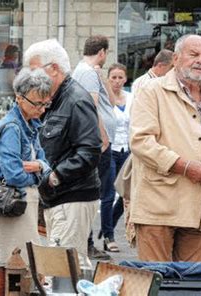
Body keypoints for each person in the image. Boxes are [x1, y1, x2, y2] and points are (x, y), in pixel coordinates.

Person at [129, 34, 201, 262]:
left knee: (192, 283)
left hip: (200, 209)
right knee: (155, 280)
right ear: (177, 58)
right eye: (193, 54)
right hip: (158, 206)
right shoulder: (152, 91)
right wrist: (185, 167)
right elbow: (141, 141)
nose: (200, 60)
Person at [23, 39, 102, 267]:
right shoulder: (56, 100)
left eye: (35, 71)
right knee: (64, 267)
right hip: (59, 197)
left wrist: (55, 177)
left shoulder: (75, 99)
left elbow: (90, 151)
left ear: (54, 68)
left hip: (72, 196)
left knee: (64, 271)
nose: (31, 78)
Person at [0, 68, 52, 262]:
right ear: (19, 98)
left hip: (23, 200)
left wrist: (38, 165)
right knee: (20, 260)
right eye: (38, 103)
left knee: (27, 258)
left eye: (45, 104)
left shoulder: (31, 125)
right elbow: (14, 175)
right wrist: (38, 172)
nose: (42, 109)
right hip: (13, 201)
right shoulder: (12, 127)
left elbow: (45, 163)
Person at [72, 35, 116, 260]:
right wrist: (103, 136)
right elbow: (92, 106)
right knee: (93, 195)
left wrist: (103, 78)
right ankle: (87, 243)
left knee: (93, 193)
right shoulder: (87, 74)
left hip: (93, 141)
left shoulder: (88, 71)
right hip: (98, 142)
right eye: (106, 53)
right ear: (101, 52)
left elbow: (114, 101)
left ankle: (86, 242)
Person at [100, 63, 132, 252]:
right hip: (109, 148)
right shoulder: (104, 99)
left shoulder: (131, 98)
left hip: (126, 150)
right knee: (108, 193)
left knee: (126, 193)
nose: (117, 81)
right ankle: (108, 236)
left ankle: (109, 223)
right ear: (108, 79)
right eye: (114, 78)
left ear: (125, 79)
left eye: (120, 78)